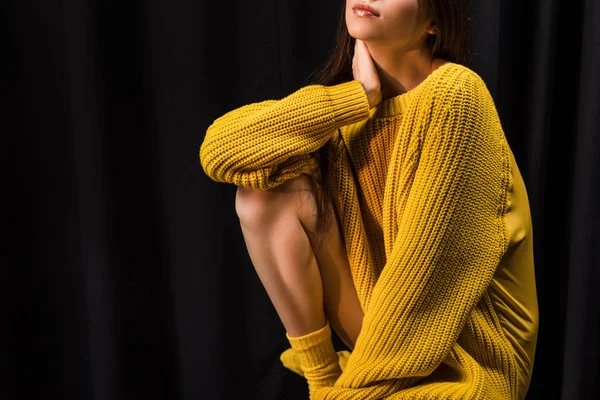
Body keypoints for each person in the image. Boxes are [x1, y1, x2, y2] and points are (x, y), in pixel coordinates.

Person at [199, 0, 539, 398]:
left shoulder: (456, 96)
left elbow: (422, 277)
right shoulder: (346, 113)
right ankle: (322, 375)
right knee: (263, 197)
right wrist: (356, 97)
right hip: (380, 336)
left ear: (434, 21)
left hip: (467, 361)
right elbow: (219, 151)